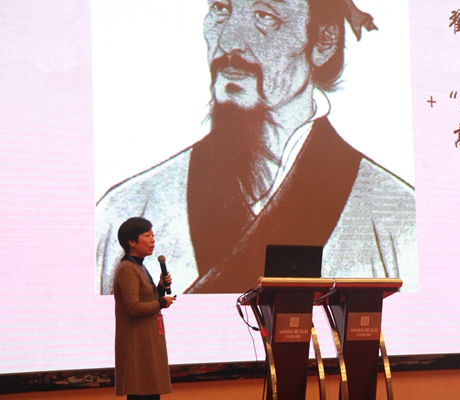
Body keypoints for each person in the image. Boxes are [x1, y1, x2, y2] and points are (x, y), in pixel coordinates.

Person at [96, 0, 418, 295]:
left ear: (323, 41)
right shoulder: (129, 210)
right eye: (221, 9)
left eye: (264, 16)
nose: (229, 41)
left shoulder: (395, 217)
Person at [113, 217, 176, 399]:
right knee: (141, 394)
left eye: (153, 235)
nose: (152, 240)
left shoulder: (139, 266)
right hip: (137, 345)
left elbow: (146, 298)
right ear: (131, 242)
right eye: (147, 236)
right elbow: (133, 307)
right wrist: (161, 303)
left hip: (147, 341)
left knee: (150, 393)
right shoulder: (127, 268)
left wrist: (160, 288)